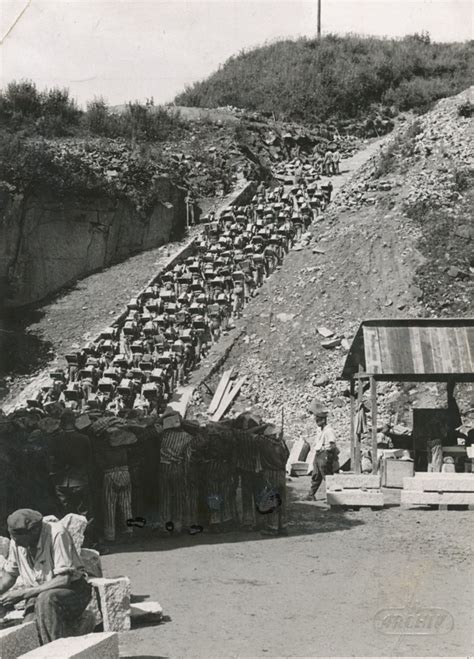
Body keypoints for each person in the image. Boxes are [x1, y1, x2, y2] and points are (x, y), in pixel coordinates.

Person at [0, 509, 92, 645]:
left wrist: (23, 593)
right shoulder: (17, 541)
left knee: (46, 599)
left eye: (19, 540)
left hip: (74, 592)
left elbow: (64, 579)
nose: (17, 543)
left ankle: (55, 651)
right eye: (14, 538)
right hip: (37, 595)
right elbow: (10, 575)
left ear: (34, 531)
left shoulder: (57, 534)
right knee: (29, 631)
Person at [304, 402, 339, 501]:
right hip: (318, 454)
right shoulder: (320, 430)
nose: (317, 422)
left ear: (323, 420)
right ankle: (311, 495)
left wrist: (328, 456)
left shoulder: (329, 431)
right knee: (316, 475)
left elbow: (332, 445)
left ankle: (334, 497)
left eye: (318, 420)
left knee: (327, 476)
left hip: (324, 455)